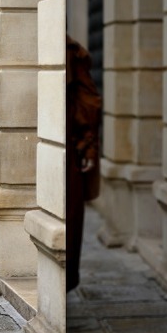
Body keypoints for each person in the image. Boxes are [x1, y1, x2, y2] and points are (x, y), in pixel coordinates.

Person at [66, 34, 102, 292]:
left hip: (67, 148)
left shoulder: (70, 51)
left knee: (68, 217)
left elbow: (86, 100)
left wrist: (87, 145)